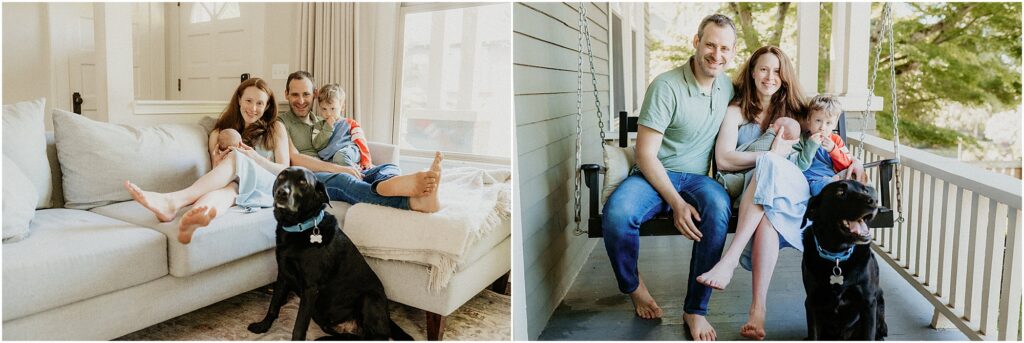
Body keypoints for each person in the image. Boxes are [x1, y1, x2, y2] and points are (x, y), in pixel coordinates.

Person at [696, 45, 865, 340]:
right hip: (752, 191)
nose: (770, 76)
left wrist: (856, 161)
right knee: (767, 209)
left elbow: (830, 138)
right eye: (763, 68)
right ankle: (757, 310)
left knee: (772, 171)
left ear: (784, 76)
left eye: (777, 70)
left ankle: (730, 259)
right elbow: (723, 160)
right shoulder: (736, 110)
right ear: (751, 71)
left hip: (795, 188)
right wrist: (768, 158)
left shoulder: (800, 112)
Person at [601, 14, 736, 341]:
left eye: (724, 48)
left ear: (732, 53)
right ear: (696, 42)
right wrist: (675, 203)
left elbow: (767, 97)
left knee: (719, 210)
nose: (716, 54)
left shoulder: (728, 87)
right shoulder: (666, 85)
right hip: (652, 175)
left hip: (696, 180)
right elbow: (645, 154)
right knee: (617, 215)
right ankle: (633, 286)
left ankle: (695, 309)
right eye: (710, 45)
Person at [125, 77, 291, 244]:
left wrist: (254, 157)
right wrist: (218, 162)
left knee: (235, 157)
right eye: (248, 100)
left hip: (269, 186)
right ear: (239, 99)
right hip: (240, 186)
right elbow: (216, 177)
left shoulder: (276, 128)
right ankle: (196, 217)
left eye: (260, 103)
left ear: (267, 105)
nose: (253, 108)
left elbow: (285, 170)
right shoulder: (219, 133)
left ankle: (174, 201)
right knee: (227, 191)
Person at [279, 71, 441, 213]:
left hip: (334, 166)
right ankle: (412, 201)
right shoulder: (281, 123)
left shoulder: (321, 120)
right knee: (344, 181)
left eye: (305, 94)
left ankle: (386, 183)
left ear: (314, 94)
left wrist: (360, 161)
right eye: (295, 95)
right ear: (286, 94)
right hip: (308, 178)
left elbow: (346, 140)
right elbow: (295, 158)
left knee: (386, 167)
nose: (301, 100)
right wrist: (340, 168)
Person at [715, 116, 814, 200]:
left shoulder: (786, 148)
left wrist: (812, 144)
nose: (770, 126)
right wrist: (772, 153)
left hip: (755, 180)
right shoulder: (736, 114)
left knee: (741, 181)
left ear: (781, 133)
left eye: (774, 125)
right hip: (743, 166)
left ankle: (728, 183)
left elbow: (801, 163)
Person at [801, 94, 866, 196]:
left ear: (834, 124)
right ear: (809, 120)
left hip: (835, 177)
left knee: (857, 181)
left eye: (828, 123)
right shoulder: (803, 139)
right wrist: (810, 145)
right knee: (822, 187)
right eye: (818, 121)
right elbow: (798, 163)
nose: (822, 127)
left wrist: (833, 150)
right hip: (812, 181)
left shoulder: (836, 140)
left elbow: (845, 164)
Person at [314, 84, 372, 170]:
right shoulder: (318, 126)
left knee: (340, 156)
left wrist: (366, 161)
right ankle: (353, 170)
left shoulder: (351, 123)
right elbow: (317, 145)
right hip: (331, 157)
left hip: (349, 151)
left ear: (342, 107)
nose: (328, 113)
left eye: (332, 108)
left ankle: (358, 172)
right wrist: (327, 128)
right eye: (324, 109)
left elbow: (361, 142)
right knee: (330, 161)